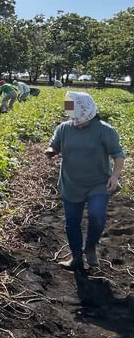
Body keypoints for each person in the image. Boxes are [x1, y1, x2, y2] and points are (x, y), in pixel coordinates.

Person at [45, 92, 125, 271]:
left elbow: (118, 155)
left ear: (83, 107)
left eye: (70, 105)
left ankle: (90, 247)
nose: (68, 109)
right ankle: (76, 257)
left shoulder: (104, 130)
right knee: (72, 221)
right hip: (71, 182)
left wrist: (115, 176)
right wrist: (51, 151)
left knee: (97, 216)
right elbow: (54, 144)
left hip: (98, 183)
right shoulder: (64, 128)